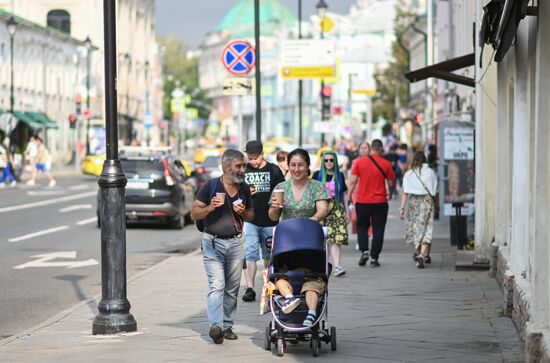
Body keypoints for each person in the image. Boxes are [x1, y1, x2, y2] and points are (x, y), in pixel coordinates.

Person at [190, 149, 254, 344]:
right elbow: (193, 213)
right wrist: (210, 207)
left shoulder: (243, 188)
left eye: (243, 165)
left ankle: (226, 326)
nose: (243, 169)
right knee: (217, 285)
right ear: (226, 167)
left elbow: (252, 216)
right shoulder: (209, 186)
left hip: (236, 242)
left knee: (232, 288)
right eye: (239, 166)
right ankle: (215, 326)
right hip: (212, 242)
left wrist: (243, 212)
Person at [268, 148, 330, 326]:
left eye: (301, 165)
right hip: (287, 243)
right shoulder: (281, 188)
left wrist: (315, 218)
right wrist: (275, 207)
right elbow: (273, 217)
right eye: (293, 165)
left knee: (313, 279)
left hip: (310, 241)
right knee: (279, 275)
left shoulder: (317, 187)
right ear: (288, 166)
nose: (296, 169)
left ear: (308, 166)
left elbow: (323, 209)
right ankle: (288, 300)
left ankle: (311, 312)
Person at [241, 140, 285, 302]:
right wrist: (245, 195)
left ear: (262, 154)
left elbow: (282, 189)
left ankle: (267, 286)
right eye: (249, 157)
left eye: (255, 158)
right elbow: (235, 192)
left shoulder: (273, 170)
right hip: (250, 220)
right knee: (250, 253)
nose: (252, 161)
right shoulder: (243, 170)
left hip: (270, 221)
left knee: (268, 255)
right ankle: (250, 288)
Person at [348, 139, 395, 267]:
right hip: (380, 201)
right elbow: (391, 183)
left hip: (363, 201)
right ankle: (374, 257)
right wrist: (390, 193)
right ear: (380, 149)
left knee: (362, 226)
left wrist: (348, 197)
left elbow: (352, 182)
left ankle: (364, 250)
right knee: (378, 229)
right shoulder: (386, 164)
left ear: (371, 148)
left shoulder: (359, 162)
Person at [312, 150, 348, 277]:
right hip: (320, 207)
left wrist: (347, 211)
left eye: (331, 160)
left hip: (336, 209)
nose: (328, 162)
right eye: (326, 160)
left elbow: (344, 193)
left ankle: (337, 266)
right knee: (320, 238)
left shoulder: (340, 175)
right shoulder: (316, 175)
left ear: (335, 161)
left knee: (336, 238)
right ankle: (323, 264)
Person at [399, 151, 438, 268]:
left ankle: (419, 253)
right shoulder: (430, 172)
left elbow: (405, 193)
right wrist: (437, 205)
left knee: (416, 228)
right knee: (427, 228)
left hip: (413, 202)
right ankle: (422, 254)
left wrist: (401, 208)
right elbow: (435, 191)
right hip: (427, 202)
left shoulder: (409, 174)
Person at [349, 142, 370, 248]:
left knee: (366, 218)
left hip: (369, 191)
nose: (363, 150)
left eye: (365, 148)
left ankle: (363, 239)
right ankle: (360, 237)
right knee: (355, 218)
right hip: (356, 193)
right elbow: (351, 180)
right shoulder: (355, 162)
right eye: (361, 148)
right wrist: (348, 194)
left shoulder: (373, 161)